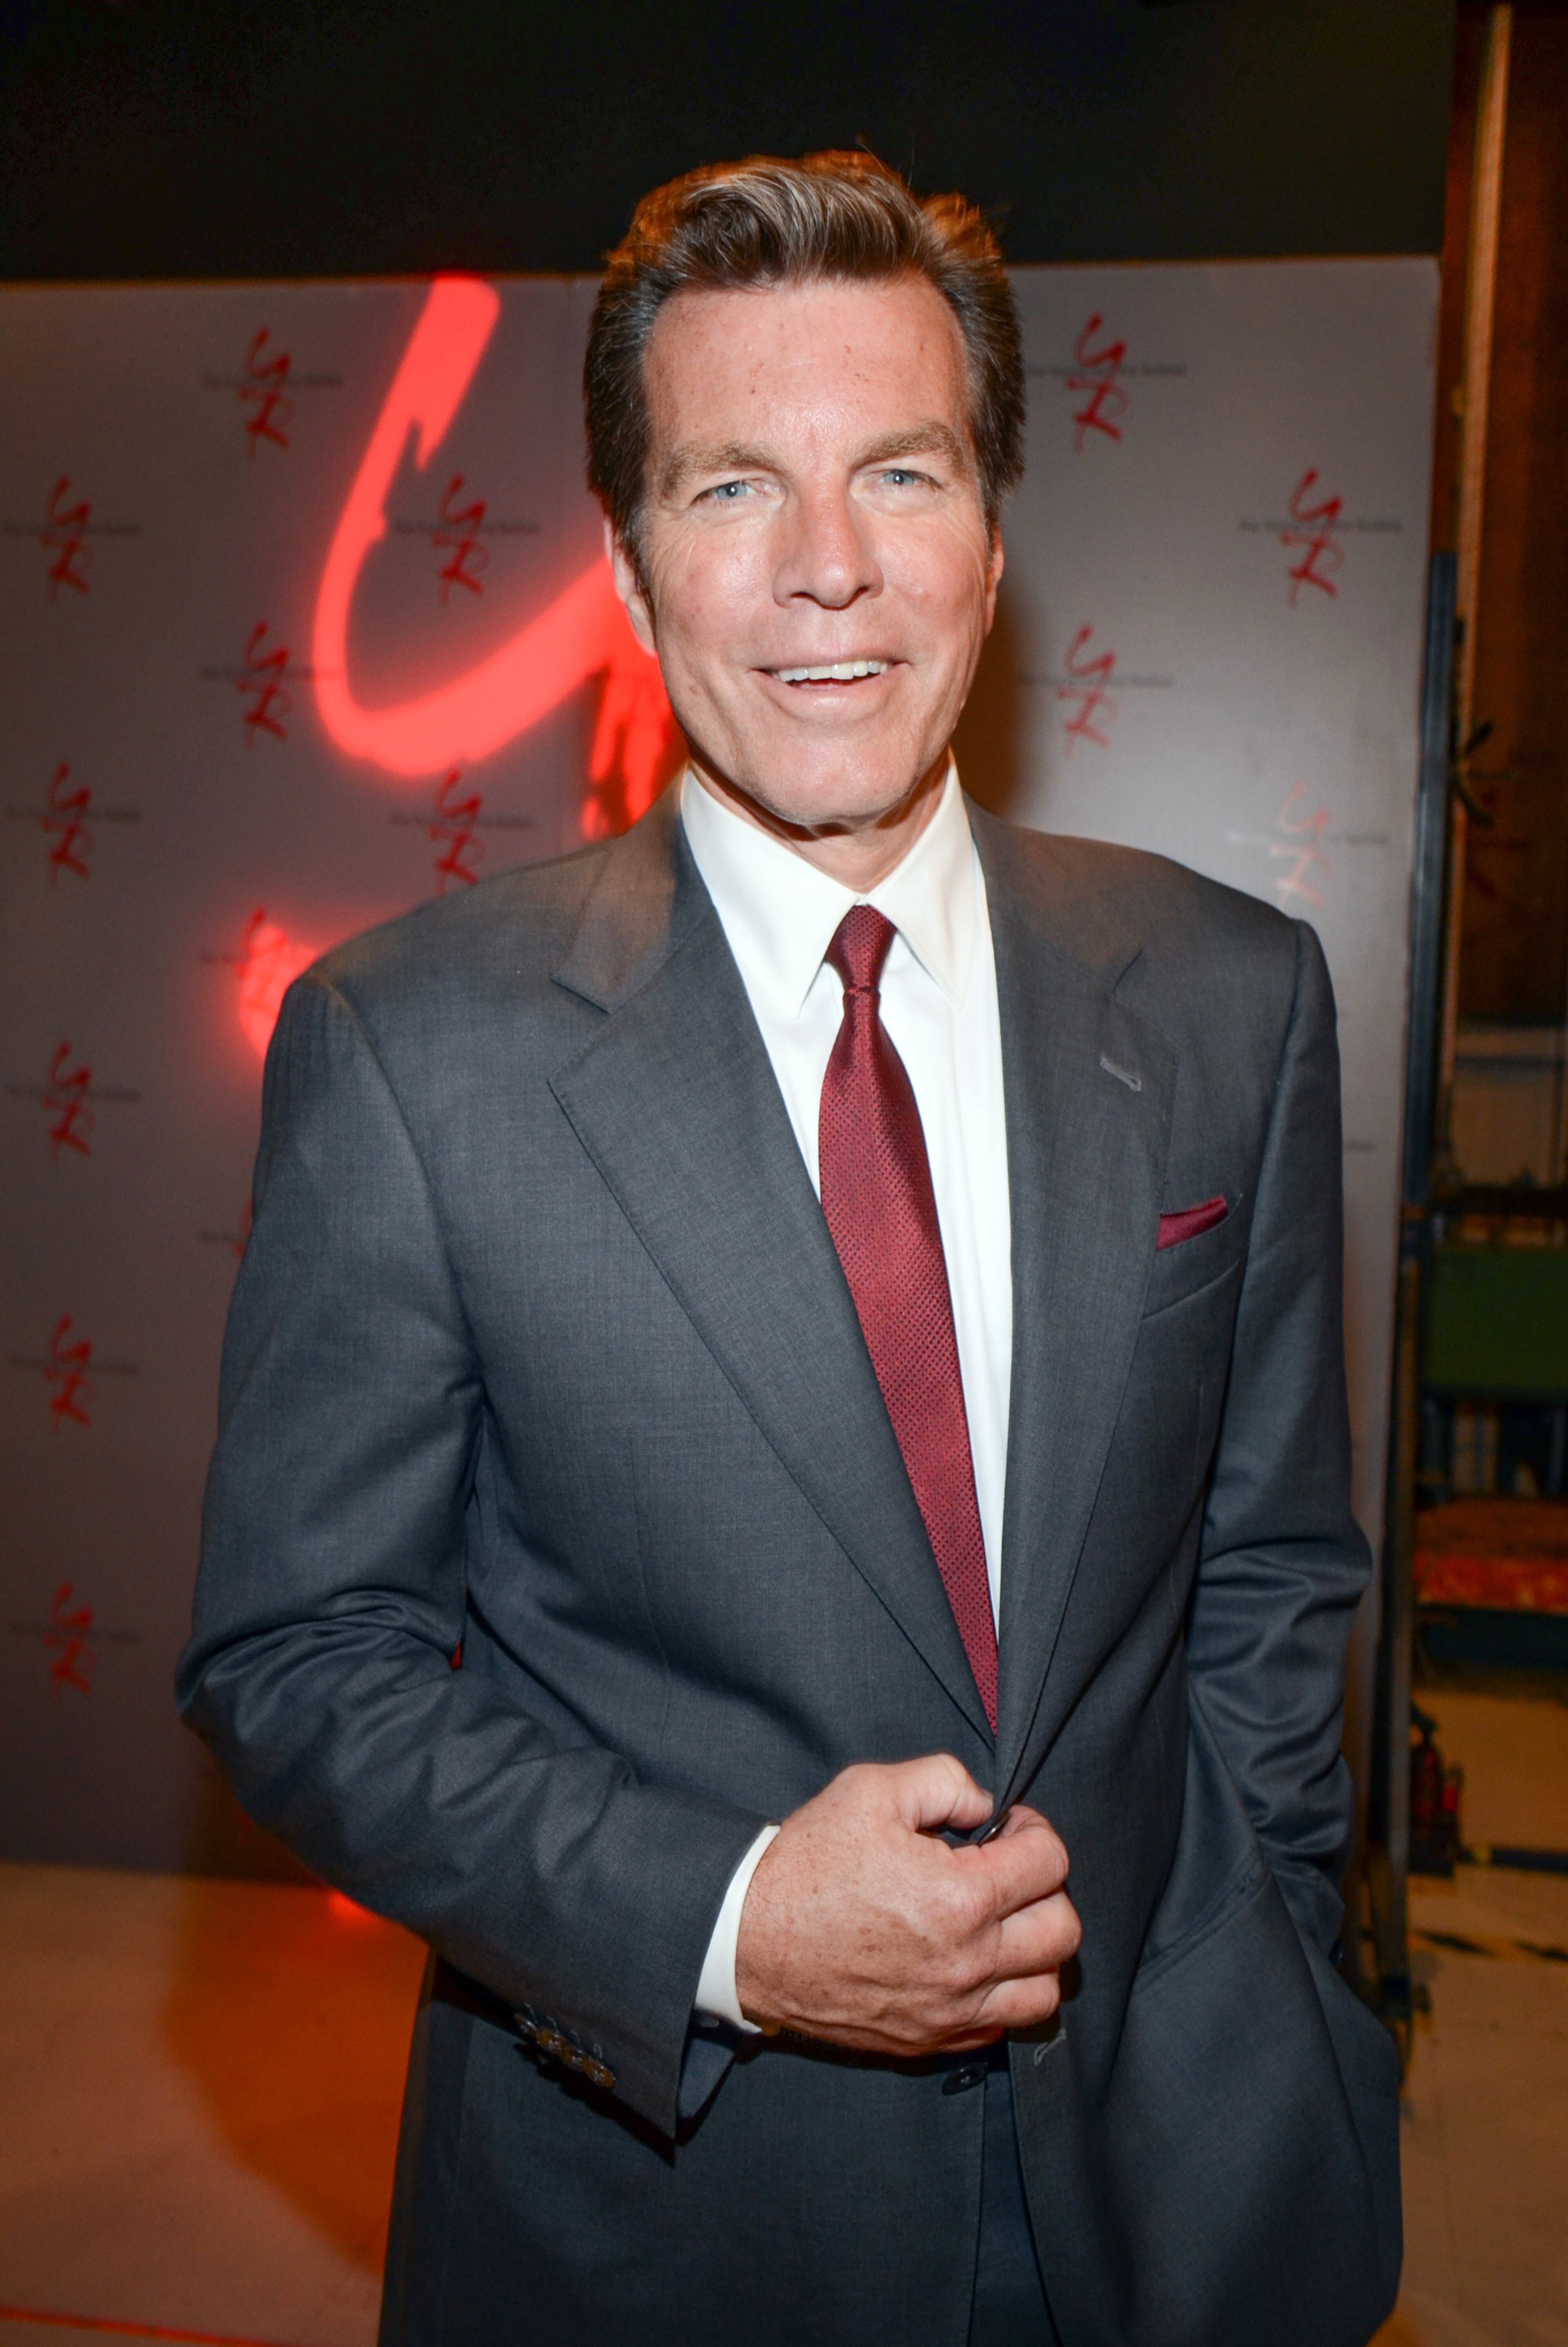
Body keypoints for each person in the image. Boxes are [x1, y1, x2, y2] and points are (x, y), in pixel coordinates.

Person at [178, 152, 1401, 2347]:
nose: (829, 564)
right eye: (736, 486)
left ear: (993, 539)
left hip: (1169, 2178)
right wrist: (733, 1921)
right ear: (633, 572)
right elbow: (299, 1659)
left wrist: (1272, 1953)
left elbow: (1275, 1564)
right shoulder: (409, 1048)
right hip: (665, 2216)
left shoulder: (1237, 995)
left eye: (900, 472)